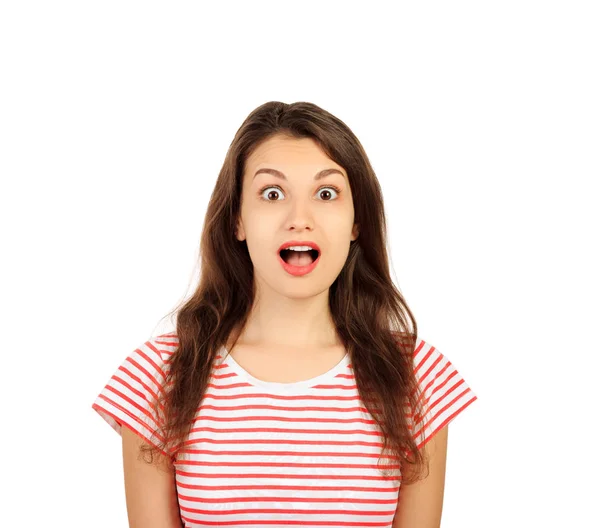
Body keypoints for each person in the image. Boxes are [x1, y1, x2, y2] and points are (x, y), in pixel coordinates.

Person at [92, 101, 478, 527]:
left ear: (356, 223)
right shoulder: (157, 377)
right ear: (237, 218)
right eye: (272, 194)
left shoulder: (416, 378)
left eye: (326, 193)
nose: (300, 219)